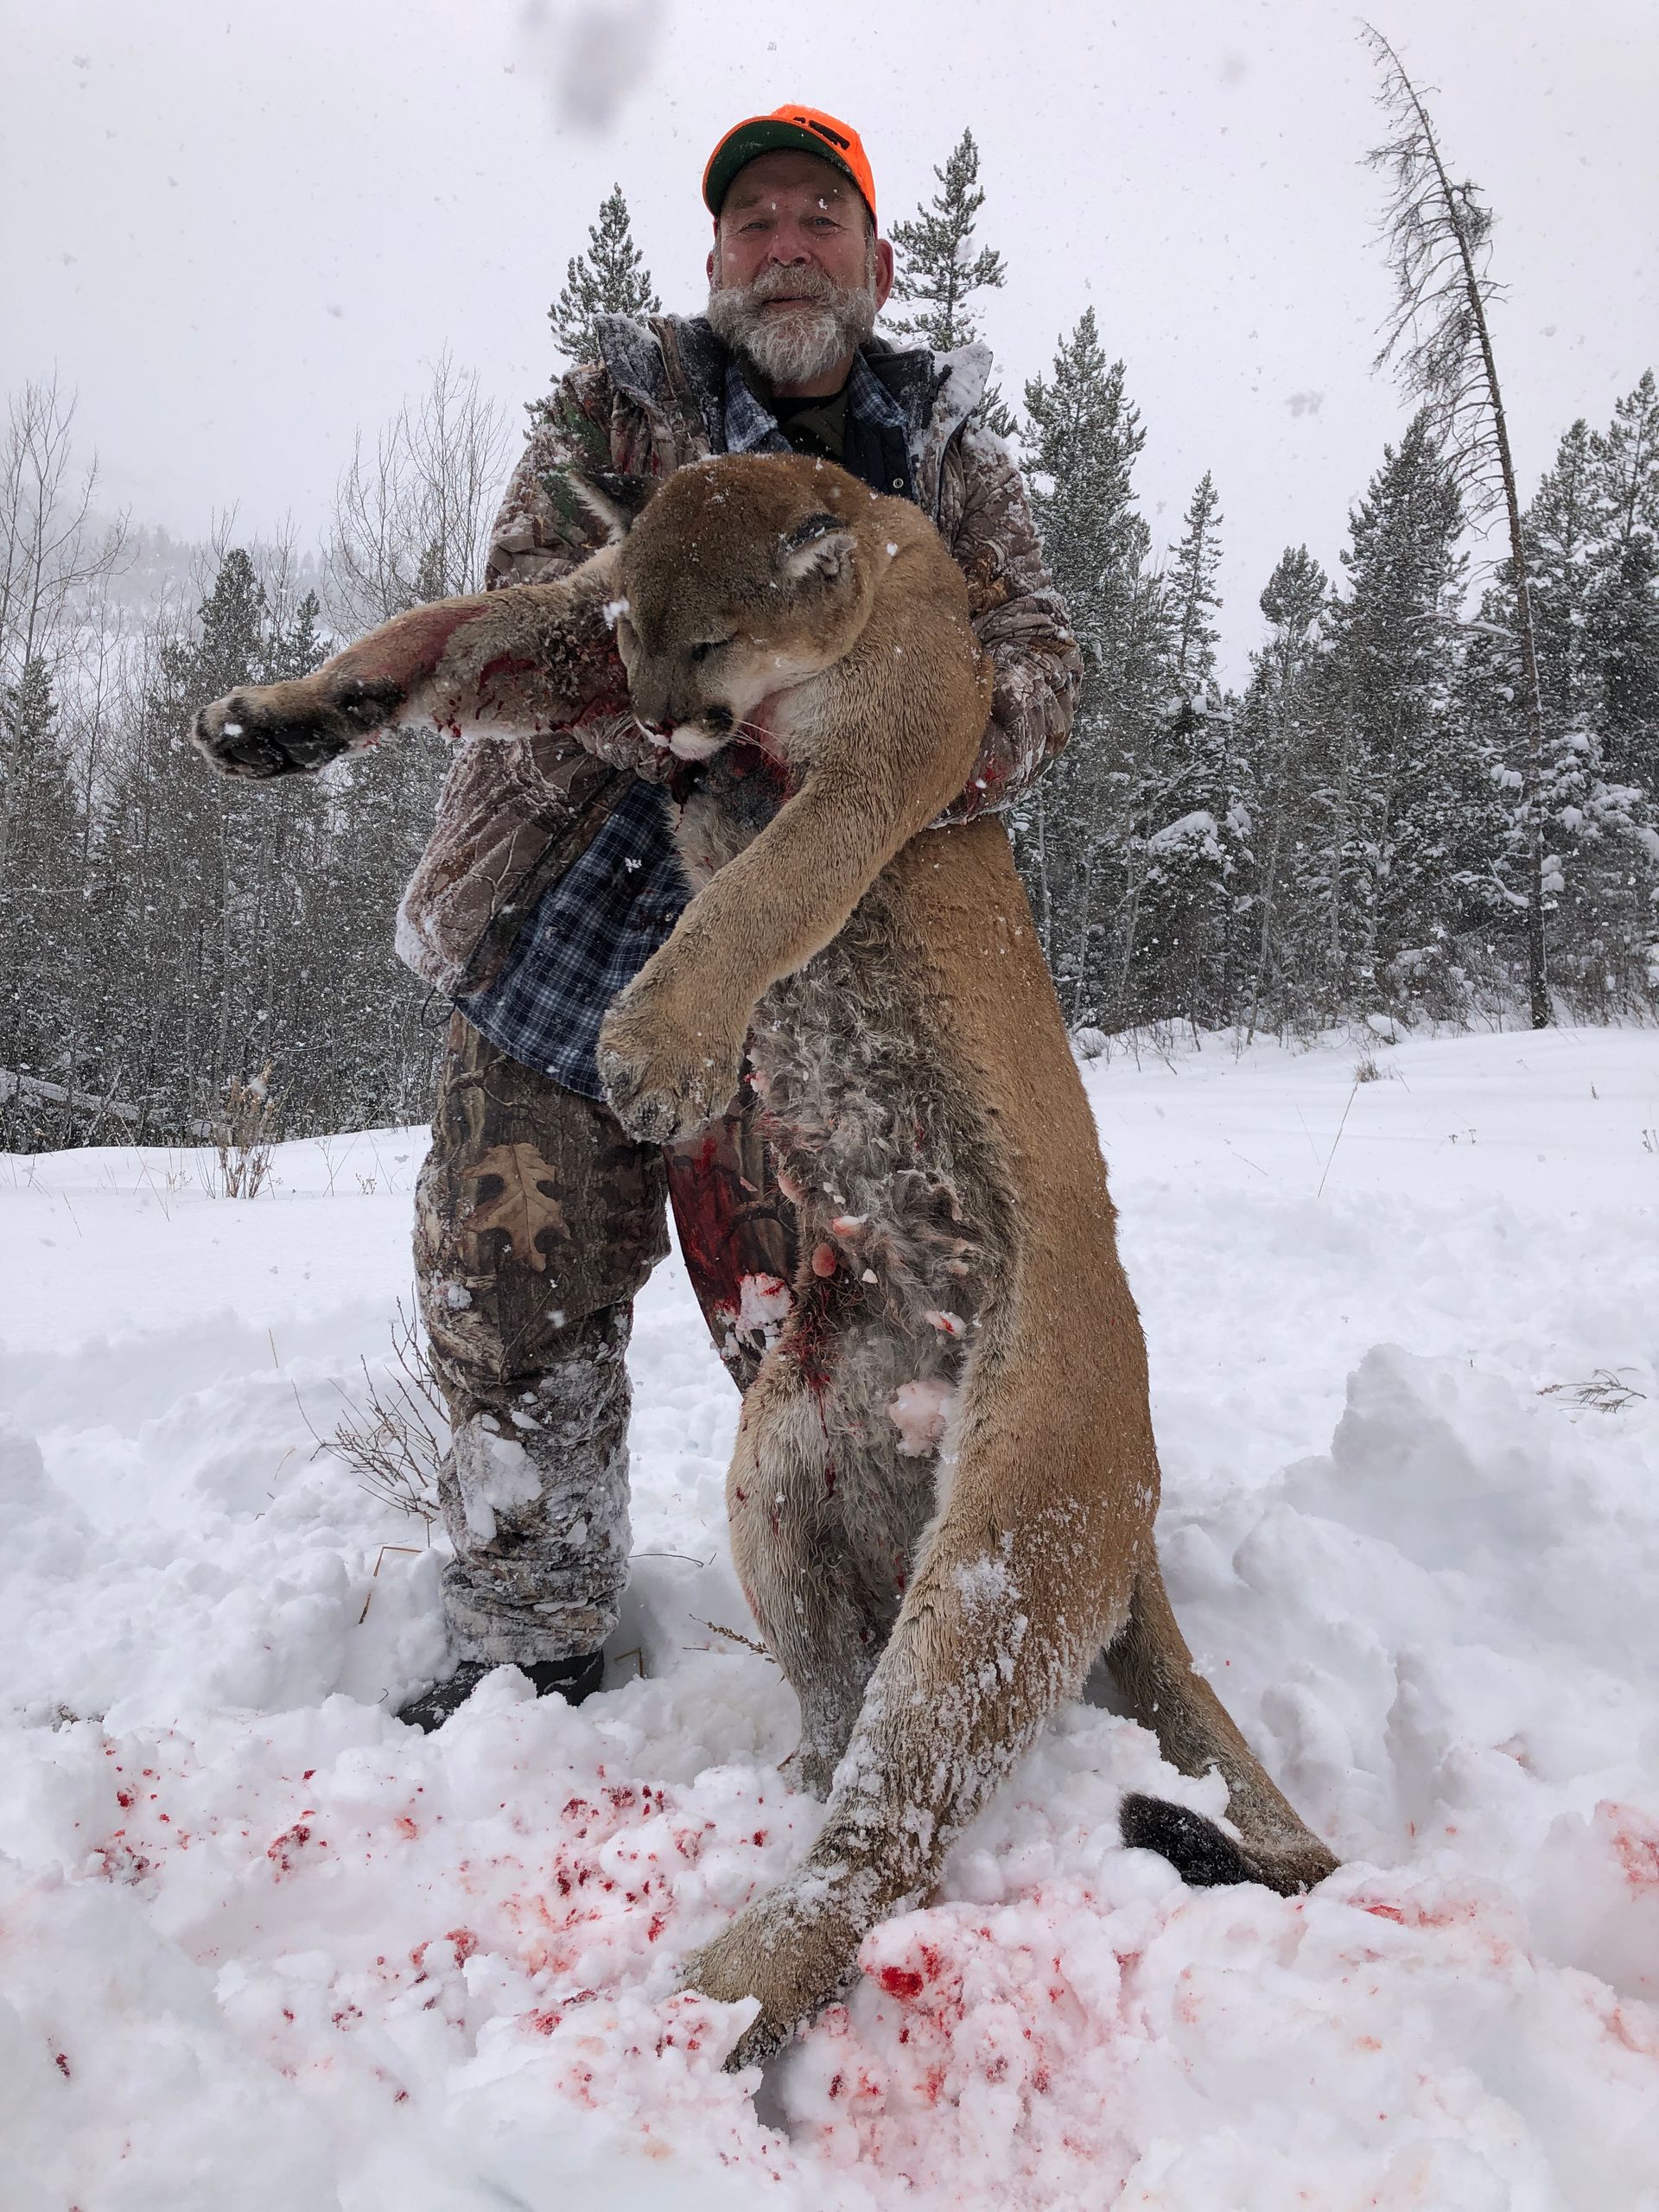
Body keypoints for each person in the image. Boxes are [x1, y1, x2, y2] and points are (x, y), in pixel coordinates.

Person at [394, 105, 1081, 1729]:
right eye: (753, 225)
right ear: (714, 265)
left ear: (875, 261)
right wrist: (704, 708)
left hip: (814, 986)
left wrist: (941, 747)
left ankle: (900, 1614)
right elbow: (540, 627)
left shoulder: (954, 462)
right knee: (509, 1302)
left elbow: (1043, 661)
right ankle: (526, 1628)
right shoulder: (617, 415)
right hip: (561, 941)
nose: (784, 248)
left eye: (816, 220)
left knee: (840, 1329)